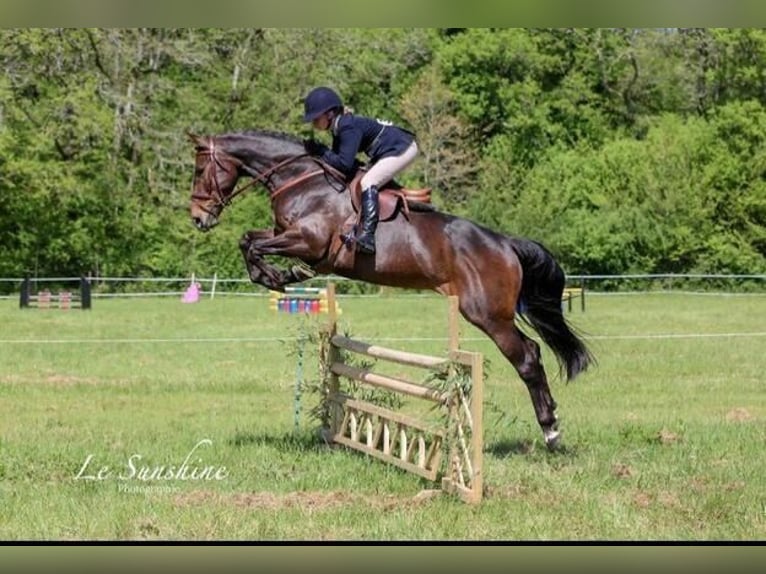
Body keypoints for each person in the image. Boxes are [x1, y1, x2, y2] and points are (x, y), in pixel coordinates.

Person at [301, 86, 418, 255]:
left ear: (329, 114)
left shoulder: (347, 127)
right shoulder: (339, 126)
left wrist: (321, 151)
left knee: (368, 181)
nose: (313, 122)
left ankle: (368, 237)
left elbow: (344, 164)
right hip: (388, 149)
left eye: (315, 118)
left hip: (402, 147)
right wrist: (323, 153)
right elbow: (339, 164)